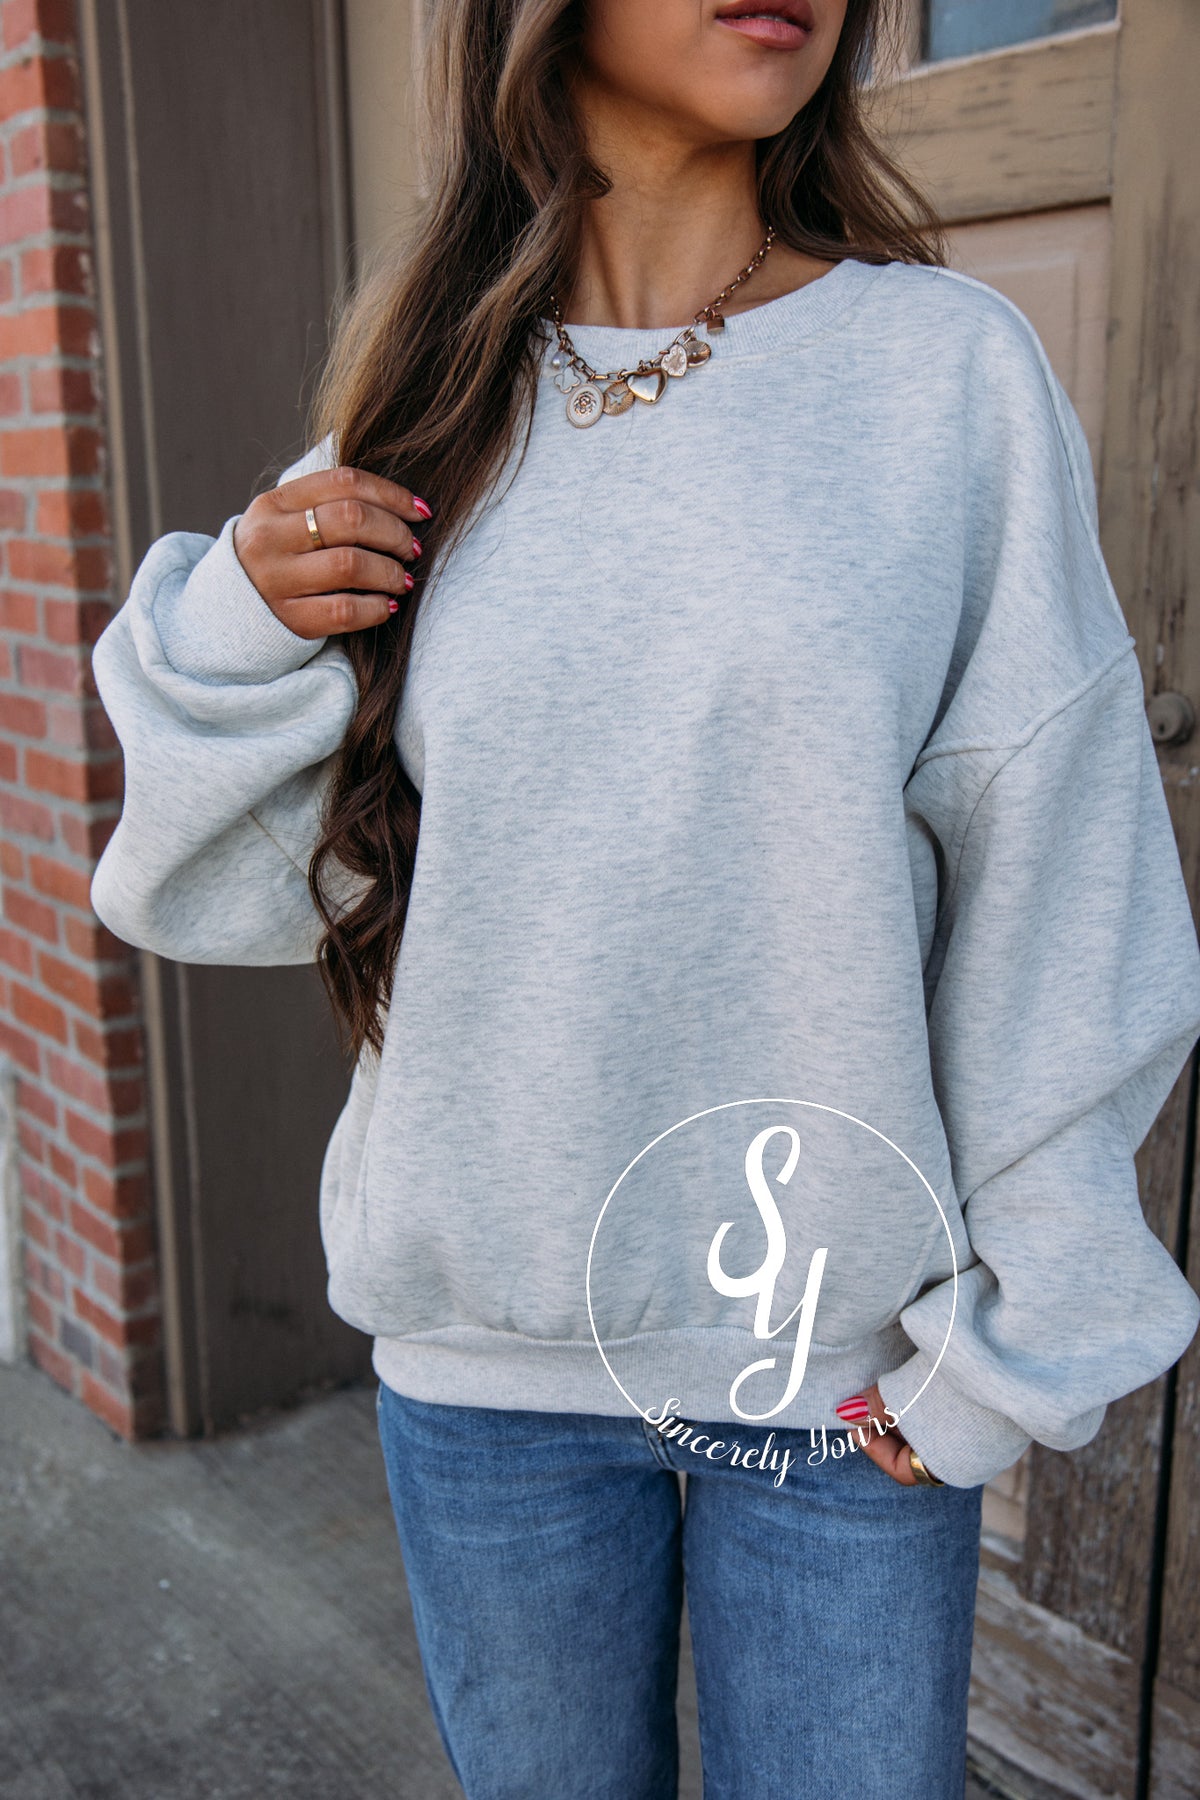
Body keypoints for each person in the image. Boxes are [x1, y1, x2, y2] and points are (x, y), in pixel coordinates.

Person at [89, 1, 1200, 1795]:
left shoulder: (943, 378)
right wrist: (233, 629)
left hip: (840, 1391)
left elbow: (1065, 881)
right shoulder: (422, 406)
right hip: (487, 1389)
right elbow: (222, 887)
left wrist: (1014, 1354)